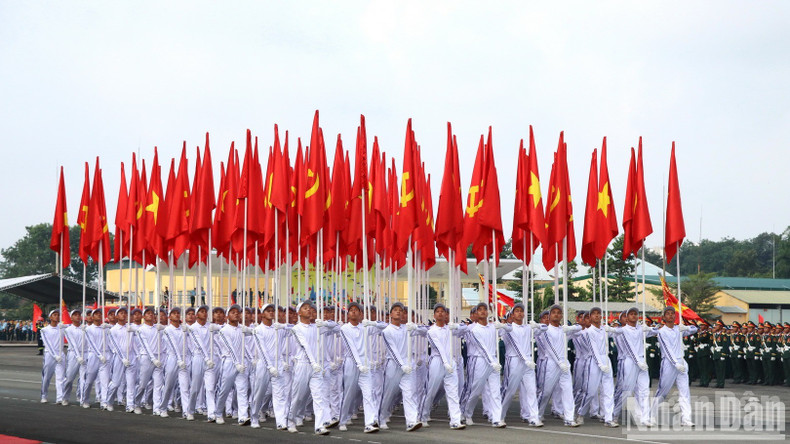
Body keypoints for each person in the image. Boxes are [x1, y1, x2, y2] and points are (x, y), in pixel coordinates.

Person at [338, 301, 384, 432]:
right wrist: (358, 364)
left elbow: (385, 326)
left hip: (365, 363)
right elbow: (351, 348)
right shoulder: (344, 328)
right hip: (352, 363)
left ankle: (369, 423)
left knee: (369, 393)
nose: (353, 311)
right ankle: (343, 419)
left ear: (361, 313)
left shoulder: (365, 327)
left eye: (356, 310)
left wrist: (372, 323)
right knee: (349, 393)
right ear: (348, 314)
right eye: (351, 310)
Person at [460, 302, 509, 428]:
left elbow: (510, 329)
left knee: (495, 390)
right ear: (476, 313)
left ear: (488, 312)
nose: (482, 311)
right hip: (478, 360)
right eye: (479, 309)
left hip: (493, 360)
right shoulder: (473, 329)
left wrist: (503, 326)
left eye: (485, 309)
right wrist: (493, 362)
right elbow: (481, 348)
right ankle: (467, 413)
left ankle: (496, 418)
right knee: (474, 390)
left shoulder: (493, 327)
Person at [499, 302, 546, 427]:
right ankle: (499, 415)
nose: (520, 313)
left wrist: (536, 325)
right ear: (513, 315)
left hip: (528, 364)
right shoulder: (509, 328)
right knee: (509, 390)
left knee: (531, 390)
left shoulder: (527, 328)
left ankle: (534, 417)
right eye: (517, 311)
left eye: (521, 311)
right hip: (514, 361)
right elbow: (513, 343)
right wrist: (501, 325)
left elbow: (545, 327)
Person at [649, 306, 698, 426]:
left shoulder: (678, 329)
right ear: (664, 317)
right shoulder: (661, 332)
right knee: (663, 391)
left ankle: (686, 418)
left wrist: (686, 327)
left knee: (685, 391)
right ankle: (651, 415)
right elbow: (667, 349)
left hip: (681, 361)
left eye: (672, 313)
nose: (671, 315)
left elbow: (696, 329)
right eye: (668, 314)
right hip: (669, 363)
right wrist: (675, 363)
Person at [611, 307, 658, 426]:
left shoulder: (640, 329)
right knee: (627, 390)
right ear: (627, 317)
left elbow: (655, 332)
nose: (634, 316)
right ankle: (614, 414)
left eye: (635, 314)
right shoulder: (624, 330)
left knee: (644, 390)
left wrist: (653, 328)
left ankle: (644, 417)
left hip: (642, 361)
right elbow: (630, 348)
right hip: (630, 361)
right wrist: (638, 362)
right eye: (631, 314)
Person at [536, 305, 581, 427]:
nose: (556, 314)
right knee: (545, 392)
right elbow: (550, 348)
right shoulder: (545, 330)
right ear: (549, 315)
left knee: (567, 391)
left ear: (561, 316)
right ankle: (537, 415)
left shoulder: (563, 330)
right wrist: (559, 362)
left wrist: (570, 327)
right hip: (551, 363)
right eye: (553, 312)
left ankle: (569, 418)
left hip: (564, 365)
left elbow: (580, 328)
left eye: (559, 313)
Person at [575, 307, 618, 428]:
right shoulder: (589, 332)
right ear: (590, 317)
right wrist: (600, 364)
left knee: (608, 391)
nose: (597, 316)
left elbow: (618, 332)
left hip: (606, 360)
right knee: (590, 391)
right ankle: (580, 413)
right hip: (594, 362)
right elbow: (593, 350)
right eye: (593, 314)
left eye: (599, 314)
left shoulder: (604, 329)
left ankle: (608, 418)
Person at [40, 309, 66, 404]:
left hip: (60, 354)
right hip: (49, 355)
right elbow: (47, 344)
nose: (57, 316)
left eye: (58, 315)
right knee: (46, 377)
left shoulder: (62, 328)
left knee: (61, 378)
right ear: (50, 317)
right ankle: (44, 395)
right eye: (55, 315)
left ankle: (60, 398)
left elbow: (74, 326)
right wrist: (55, 355)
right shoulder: (44, 330)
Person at [63, 309, 86, 406]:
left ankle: (82, 399)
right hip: (73, 354)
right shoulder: (68, 330)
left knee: (84, 379)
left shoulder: (84, 328)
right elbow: (73, 343)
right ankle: (65, 397)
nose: (77, 316)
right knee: (69, 378)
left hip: (84, 354)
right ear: (71, 317)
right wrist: (78, 356)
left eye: (79, 314)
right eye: (75, 315)